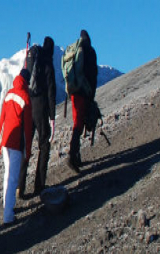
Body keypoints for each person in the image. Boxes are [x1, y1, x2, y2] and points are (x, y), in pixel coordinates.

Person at [20, 36, 57, 199]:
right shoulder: (48, 63)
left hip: (28, 105)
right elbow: (51, 92)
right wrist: (52, 116)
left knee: (26, 145)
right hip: (41, 106)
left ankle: (19, 187)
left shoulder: (32, 60)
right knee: (44, 144)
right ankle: (39, 185)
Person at [0, 69, 34, 223]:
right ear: (26, 82)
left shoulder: (9, 94)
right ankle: (8, 216)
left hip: (6, 141)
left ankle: (7, 205)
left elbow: (2, 120)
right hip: (16, 144)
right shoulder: (26, 98)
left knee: (7, 175)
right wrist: (28, 151)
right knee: (13, 178)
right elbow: (28, 129)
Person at [68, 30, 98, 172]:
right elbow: (93, 75)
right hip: (84, 92)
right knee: (79, 126)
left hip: (74, 92)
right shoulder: (90, 51)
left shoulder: (75, 51)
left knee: (77, 123)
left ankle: (76, 156)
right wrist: (91, 95)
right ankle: (72, 157)